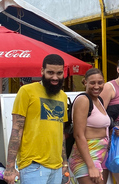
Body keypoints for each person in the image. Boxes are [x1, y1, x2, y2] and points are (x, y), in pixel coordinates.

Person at [4, 54, 70, 184]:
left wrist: (65, 164)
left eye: (59, 73)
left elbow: (60, 133)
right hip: (33, 166)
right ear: (42, 71)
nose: (55, 77)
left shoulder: (62, 96)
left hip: (57, 168)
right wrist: (10, 168)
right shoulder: (26, 91)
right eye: (50, 72)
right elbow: (17, 130)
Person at [68, 68, 111, 184]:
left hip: (101, 155)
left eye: (100, 82)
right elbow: (78, 135)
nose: (96, 86)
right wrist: (91, 166)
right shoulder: (83, 100)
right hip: (86, 157)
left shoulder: (99, 100)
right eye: (92, 83)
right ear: (85, 82)